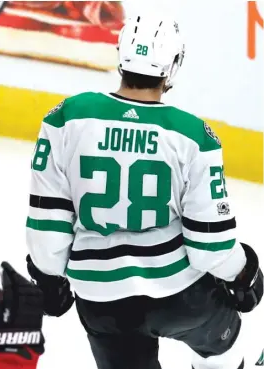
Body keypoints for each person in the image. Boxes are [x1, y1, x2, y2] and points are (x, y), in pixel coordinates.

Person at [24, 13, 263, 369]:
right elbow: (210, 248)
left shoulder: (66, 117)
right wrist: (245, 273)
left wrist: (46, 274)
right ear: (173, 66)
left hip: (101, 302)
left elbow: (48, 224)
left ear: (121, 54)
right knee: (225, 353)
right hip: (179, 296)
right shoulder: (192, 135)